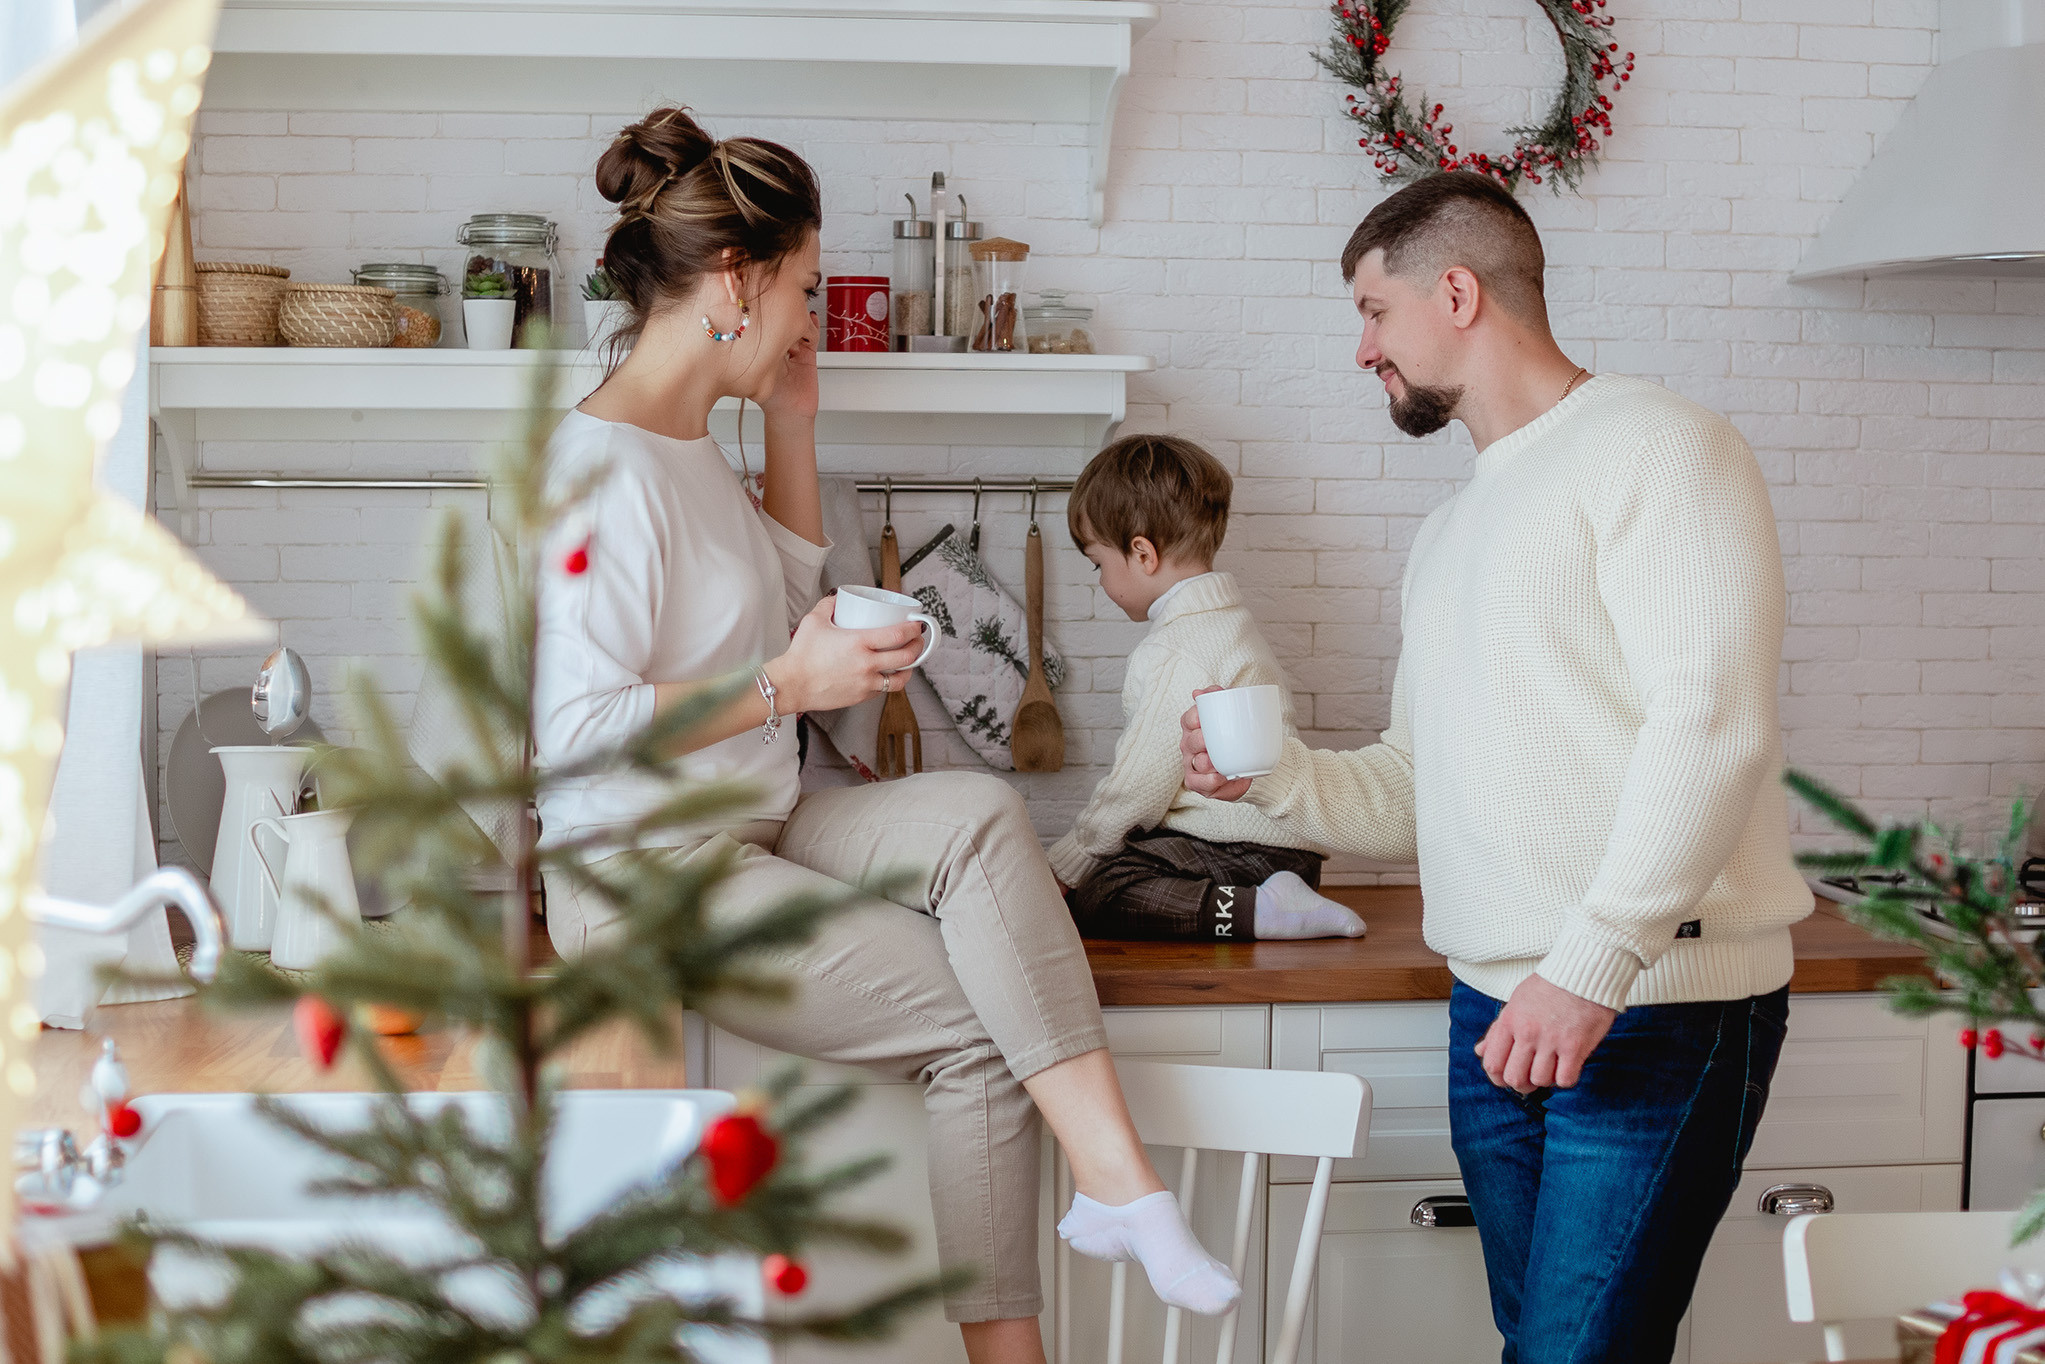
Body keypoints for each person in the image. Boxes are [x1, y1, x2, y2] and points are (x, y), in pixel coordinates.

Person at [533, 109, 1238, 1363]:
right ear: (735, 281)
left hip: (753, 818)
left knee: (977, 811)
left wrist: (794, 427)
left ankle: (1115, 1184)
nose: (809, 315)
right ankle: (1058, 1290)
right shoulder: (601, 466)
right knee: (976, 1023)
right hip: (643, 867)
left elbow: (782, 594)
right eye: (804, 287)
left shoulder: (688, 444)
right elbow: (578, 734)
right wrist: (785, 685)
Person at [1178, 171, 1810, 1364]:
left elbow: (1710, 722)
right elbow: (1416, 784)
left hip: (1648, 1000)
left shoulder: (1663, 448)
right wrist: (1269, 780)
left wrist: (1589, 965)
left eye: (1373, 311)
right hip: (1493, 1006)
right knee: (1540, 1343)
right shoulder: (1448, 530)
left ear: (1456, 293)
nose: (1361, 348)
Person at [1048, 433, 1365, 943]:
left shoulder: (1180, 646)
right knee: (1121, 866)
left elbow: (1139, 784)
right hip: (1279, 852)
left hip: (1243, 849)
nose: (1100, 582)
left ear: (1142, 553)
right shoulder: (1227, 623)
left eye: (1097, 564)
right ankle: (1274, 900)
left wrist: (1070, 862)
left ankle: (1259, 912)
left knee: (1103, 887)